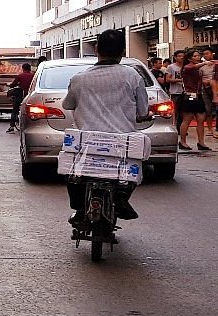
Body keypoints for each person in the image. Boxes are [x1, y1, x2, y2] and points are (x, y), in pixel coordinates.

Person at [62, 29, 147, 225]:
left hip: (87, 144)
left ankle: (80, 209)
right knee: (139, 156)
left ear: (96, 49)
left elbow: (68, 105)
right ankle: (122, 197)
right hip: (122, 143)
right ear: (123, 51)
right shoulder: (132, 76)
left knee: (71, 171)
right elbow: (143, 110)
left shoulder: (79, 78)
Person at [179, 50, 211, 151]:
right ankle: (183, 141)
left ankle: (201, 142)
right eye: (195, 56)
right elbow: (191, 67)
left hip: (198, 95)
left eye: (198, 56)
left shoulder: (198, 68)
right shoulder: (187, 67)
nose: (198, 57)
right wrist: (204, 63)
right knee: (187, 118)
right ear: (189, 58)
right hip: (189, 95)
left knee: (201, 118)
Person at [7, 63, 35, 133]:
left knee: (15, 110)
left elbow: (13, 84)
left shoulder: (20, 76)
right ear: (29, 69)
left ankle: (12, 126)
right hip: (31, 96)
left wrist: (9, 85)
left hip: (21, 96)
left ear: (23, 69)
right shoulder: (33, 76)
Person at [164, 50, 186, 133]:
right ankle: (174, 126)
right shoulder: (171, 67)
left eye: (183, 56)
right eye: (179, 56)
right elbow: (167, 79)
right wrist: (180, 80)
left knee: (184, 111)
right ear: (175, 57)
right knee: (175, 110)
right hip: (175, 92)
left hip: (185, 92)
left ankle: (181, 128)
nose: (181, 58)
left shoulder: (186, 66)